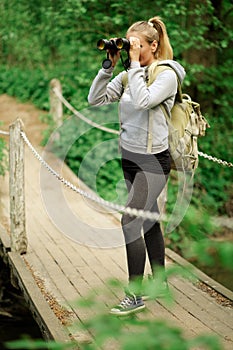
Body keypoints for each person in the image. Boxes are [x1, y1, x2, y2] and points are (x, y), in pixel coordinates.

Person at [88, 16, 185, 316]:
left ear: (153, 46)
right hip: (128, 158)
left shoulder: (166, 75)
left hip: (154, 162)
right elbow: (95, 98)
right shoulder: (129, 74)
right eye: (128, 45)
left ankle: (135, 295)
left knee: (130, 220)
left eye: (137, 46)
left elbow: (143, 102)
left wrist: (134, 66)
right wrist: (109, 67)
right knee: (149, 218)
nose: (132, 50)